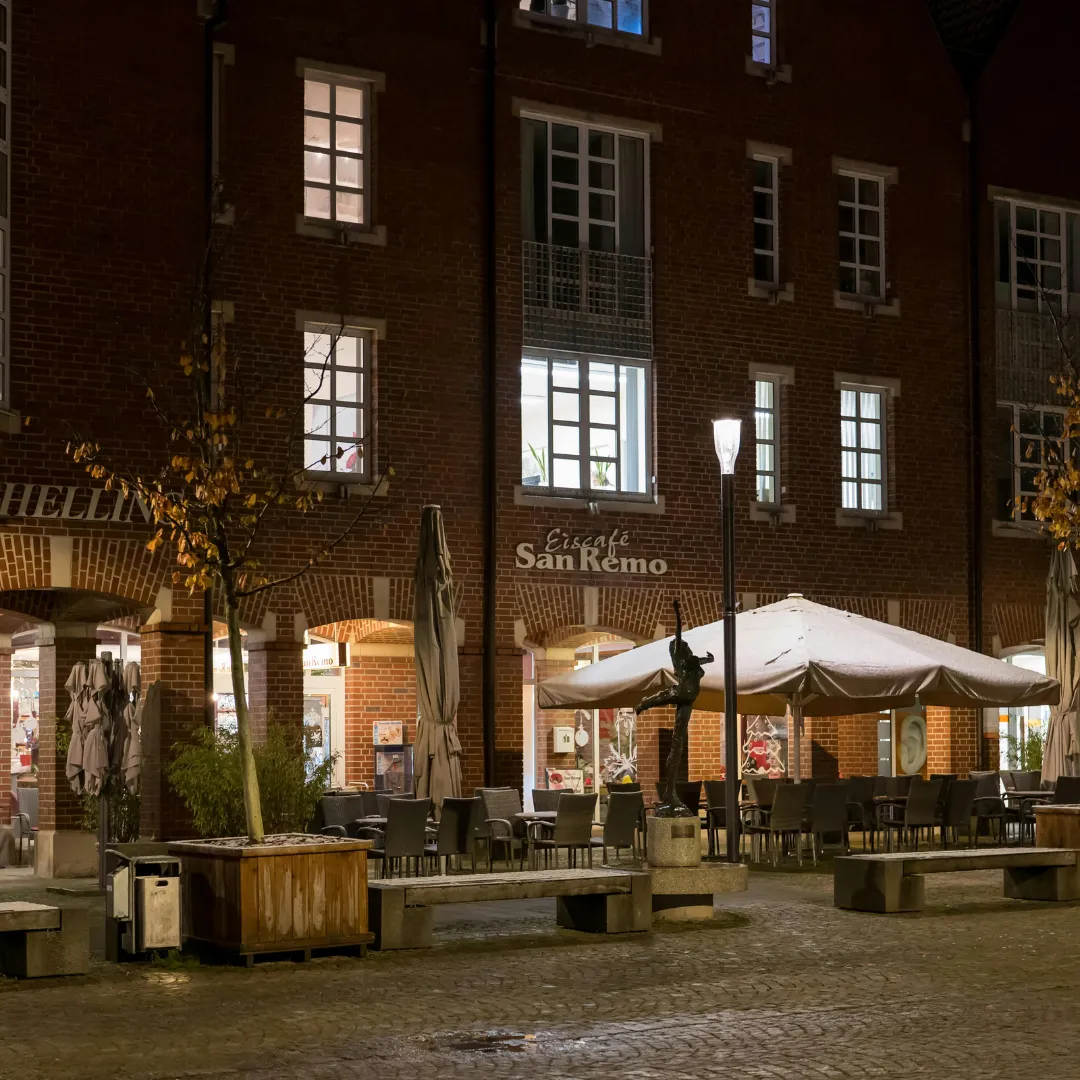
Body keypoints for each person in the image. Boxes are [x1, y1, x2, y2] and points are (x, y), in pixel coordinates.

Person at [635, 598, 713, 817]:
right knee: (663, 697)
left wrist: (709, 659)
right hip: (683, 694)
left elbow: (702, 661)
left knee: (677, 746)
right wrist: (677, 613)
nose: (688, 649)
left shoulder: (693, 662)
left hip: (688, 700)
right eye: (685, 648)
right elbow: (678, 635)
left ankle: (671, 793)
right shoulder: (682, 659)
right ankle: (644, 704)